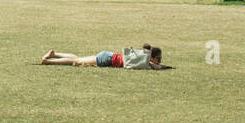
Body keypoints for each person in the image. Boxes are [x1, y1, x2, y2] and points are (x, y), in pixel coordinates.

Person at [39, 44, 169, 69]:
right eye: (159, 58)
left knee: (79, 58)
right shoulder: (145, 62)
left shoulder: (141, 57)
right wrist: (162, 66)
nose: (160, 61)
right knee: (78, 61)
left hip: (107, 55)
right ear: (152, 57)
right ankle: (50, 62)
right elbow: (155, 67)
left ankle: (55, 54)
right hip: (106, 59)